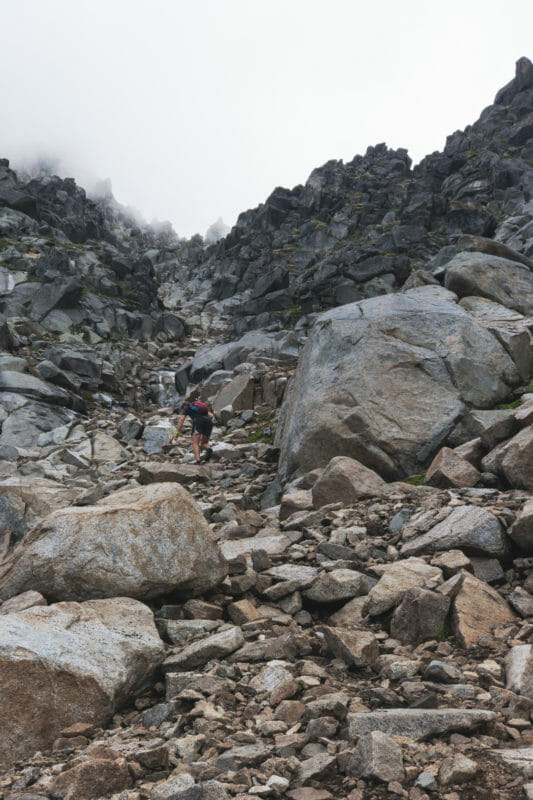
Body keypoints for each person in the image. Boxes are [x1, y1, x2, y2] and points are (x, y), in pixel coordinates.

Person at [174, 400, 213, 464]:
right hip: (208, 422)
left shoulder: (187, 408)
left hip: (198, 422)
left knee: (195, 443)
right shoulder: (198, 407)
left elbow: (181, 420)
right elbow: (211, 416)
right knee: (204, 443)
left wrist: (176, 433)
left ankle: (198, 461)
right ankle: (209, 450)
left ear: (184, 406)